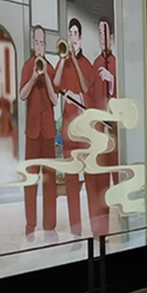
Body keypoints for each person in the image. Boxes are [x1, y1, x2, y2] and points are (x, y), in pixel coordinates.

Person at [54, 17, 97, 237]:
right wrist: (65, 59)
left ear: (80, 37)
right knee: (71, 182)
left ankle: (96, 228)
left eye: (74, 34)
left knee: (90, 179)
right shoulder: (65, 62)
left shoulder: (87, 64)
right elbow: (55, 84)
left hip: (85, 132)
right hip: (69, 131)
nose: (71, 37)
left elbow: (87, 87)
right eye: (69, 33)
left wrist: (77, 95)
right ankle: (75, 230)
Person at [17, 26, 59, 241]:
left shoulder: (51, 68)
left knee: (50, 181)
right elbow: (22, 95)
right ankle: (30, 225)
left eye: (42, 43)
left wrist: (46, 78)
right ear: (33, 44)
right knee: (31, 180)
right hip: (32, 132)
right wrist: (34, 77)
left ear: (45, 45)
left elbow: (55, 100)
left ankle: (50, 226)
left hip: (48, 132)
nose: (39, 46)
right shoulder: (27, 67)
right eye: (37, 42)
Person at [83, 18, 118, 234]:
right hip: (99, 133)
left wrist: (112, 80)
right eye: (99, 33)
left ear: (111, 37)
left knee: (118, 179)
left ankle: (125, 229)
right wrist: (80, 99)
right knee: (101, 182)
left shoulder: (116, 63)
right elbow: (90, 95)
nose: (102, 37)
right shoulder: (96, 63)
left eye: (105, 33)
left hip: (116, 132)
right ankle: (102, 232)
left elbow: (126, 95)